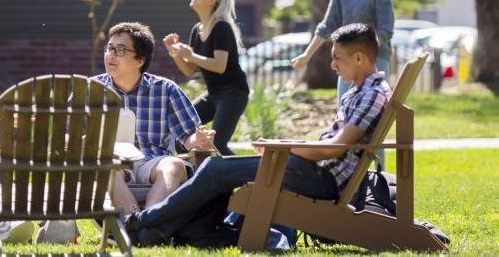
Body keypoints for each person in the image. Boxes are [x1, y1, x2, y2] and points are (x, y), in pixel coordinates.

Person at [125, 23, 392, 246]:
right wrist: (284, 144)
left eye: (337, 58)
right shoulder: (359, 91)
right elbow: (331, 146)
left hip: (323, 180)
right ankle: (153, 232)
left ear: (359, 58)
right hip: (314, 171)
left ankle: (146, 219)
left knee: (216, 170)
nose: (332, 65)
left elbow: (335, 149)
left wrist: (283, 149)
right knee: (218, 174)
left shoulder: (371, 93)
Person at [92, 22, 215, 216]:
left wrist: (198, 140)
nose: (111, 55)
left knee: (174, 165)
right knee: (106, 168)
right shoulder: (91, 90)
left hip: (154, 163)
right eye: (109, 48)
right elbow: (66, 135)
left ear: (139, 60)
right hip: (112, 163)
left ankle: (148, 220)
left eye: (120, 50)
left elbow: (189, 136)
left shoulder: (166, 90)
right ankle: (136, 222)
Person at [292, 0, 403, 102]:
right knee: (344, 108)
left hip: (376, 59)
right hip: (347, 60)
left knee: (374, 109)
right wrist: (307, 55)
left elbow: (385, 30)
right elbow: (327, 26)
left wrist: (364, 50)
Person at [162, 0, 250, 156]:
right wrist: (175, 53)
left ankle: (246, 176)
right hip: (213, 94)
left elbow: (219, 66)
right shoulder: (198, 29)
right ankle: (198, 176)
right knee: (182, 136)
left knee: (218, 144)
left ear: (212, 0)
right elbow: (189, 69)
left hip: (233, 94)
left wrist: (190, 55)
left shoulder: (221, 28)